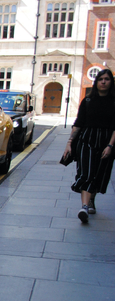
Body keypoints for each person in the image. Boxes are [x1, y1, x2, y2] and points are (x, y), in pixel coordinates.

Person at [62, 68, 115, 223]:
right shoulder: (88, 101)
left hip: (106, 139)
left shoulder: (113, 102)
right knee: (86, 173)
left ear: (111, 82)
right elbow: (78, 123)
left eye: (107, 79)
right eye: (100, 79)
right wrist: (70, 142)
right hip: (87, 139)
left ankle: (91, 200)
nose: (103, 82)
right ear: (96, 82)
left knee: (99, 173)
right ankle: (84, 206)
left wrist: (110, 146)